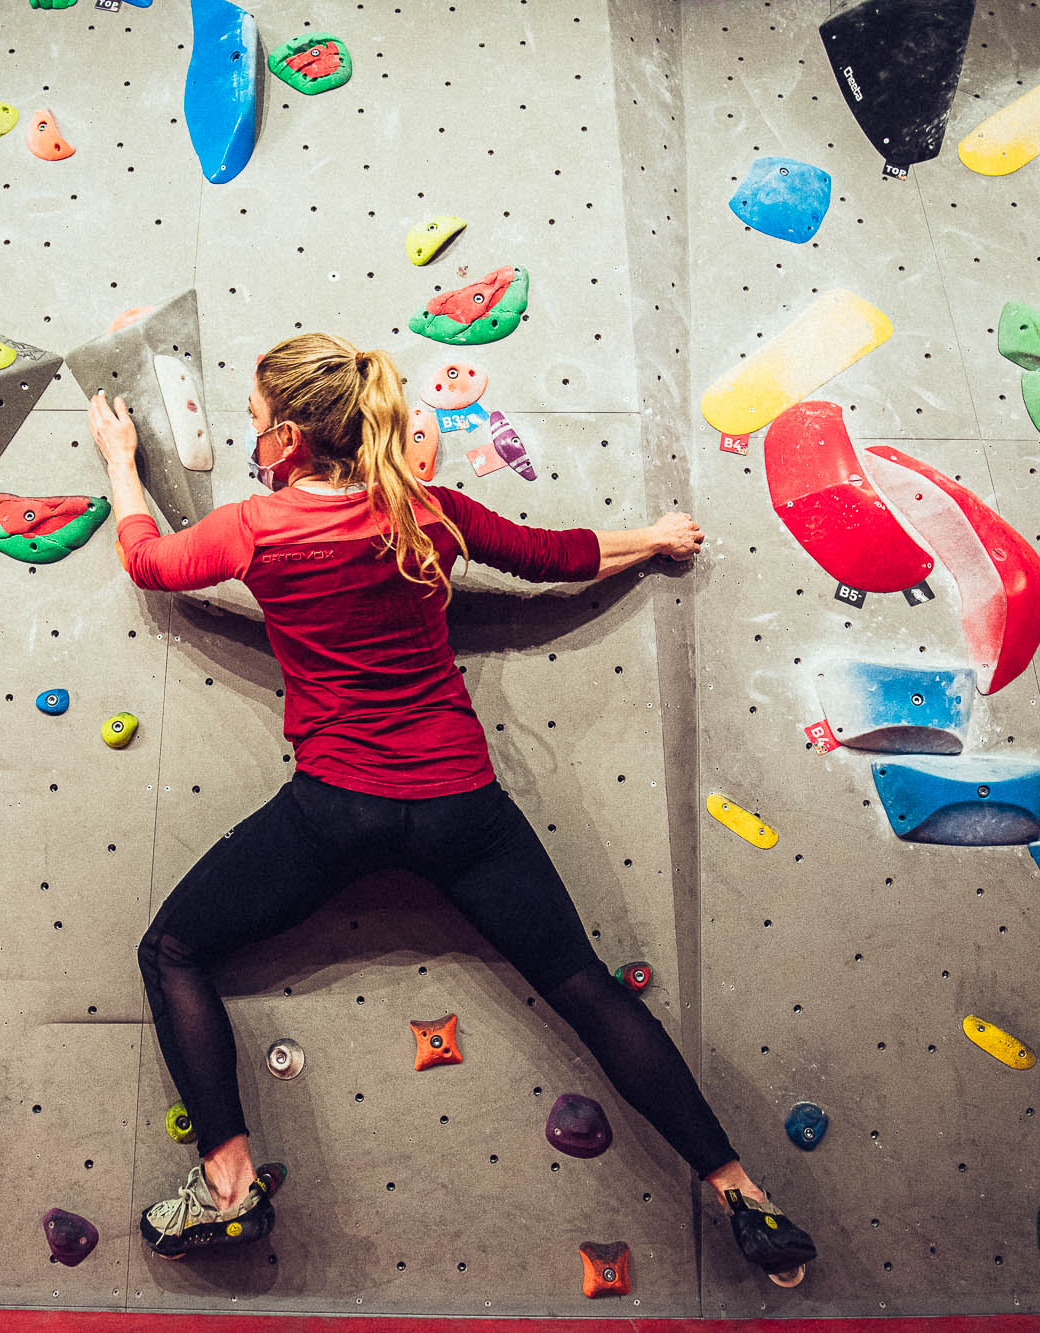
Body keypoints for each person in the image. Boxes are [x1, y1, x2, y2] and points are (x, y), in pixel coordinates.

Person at [86, 333, 815, 1284]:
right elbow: (557, 557)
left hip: (336, 808)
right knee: (582, 984)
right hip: (461, 805)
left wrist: (121, 465)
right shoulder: (425, 513)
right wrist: (659, 537)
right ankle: (743, 1192)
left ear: (295, 440)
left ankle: (228, 1181)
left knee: (172, 949)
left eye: (260, 422)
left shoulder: (250, 529)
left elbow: (148, 563)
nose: (253, 435)